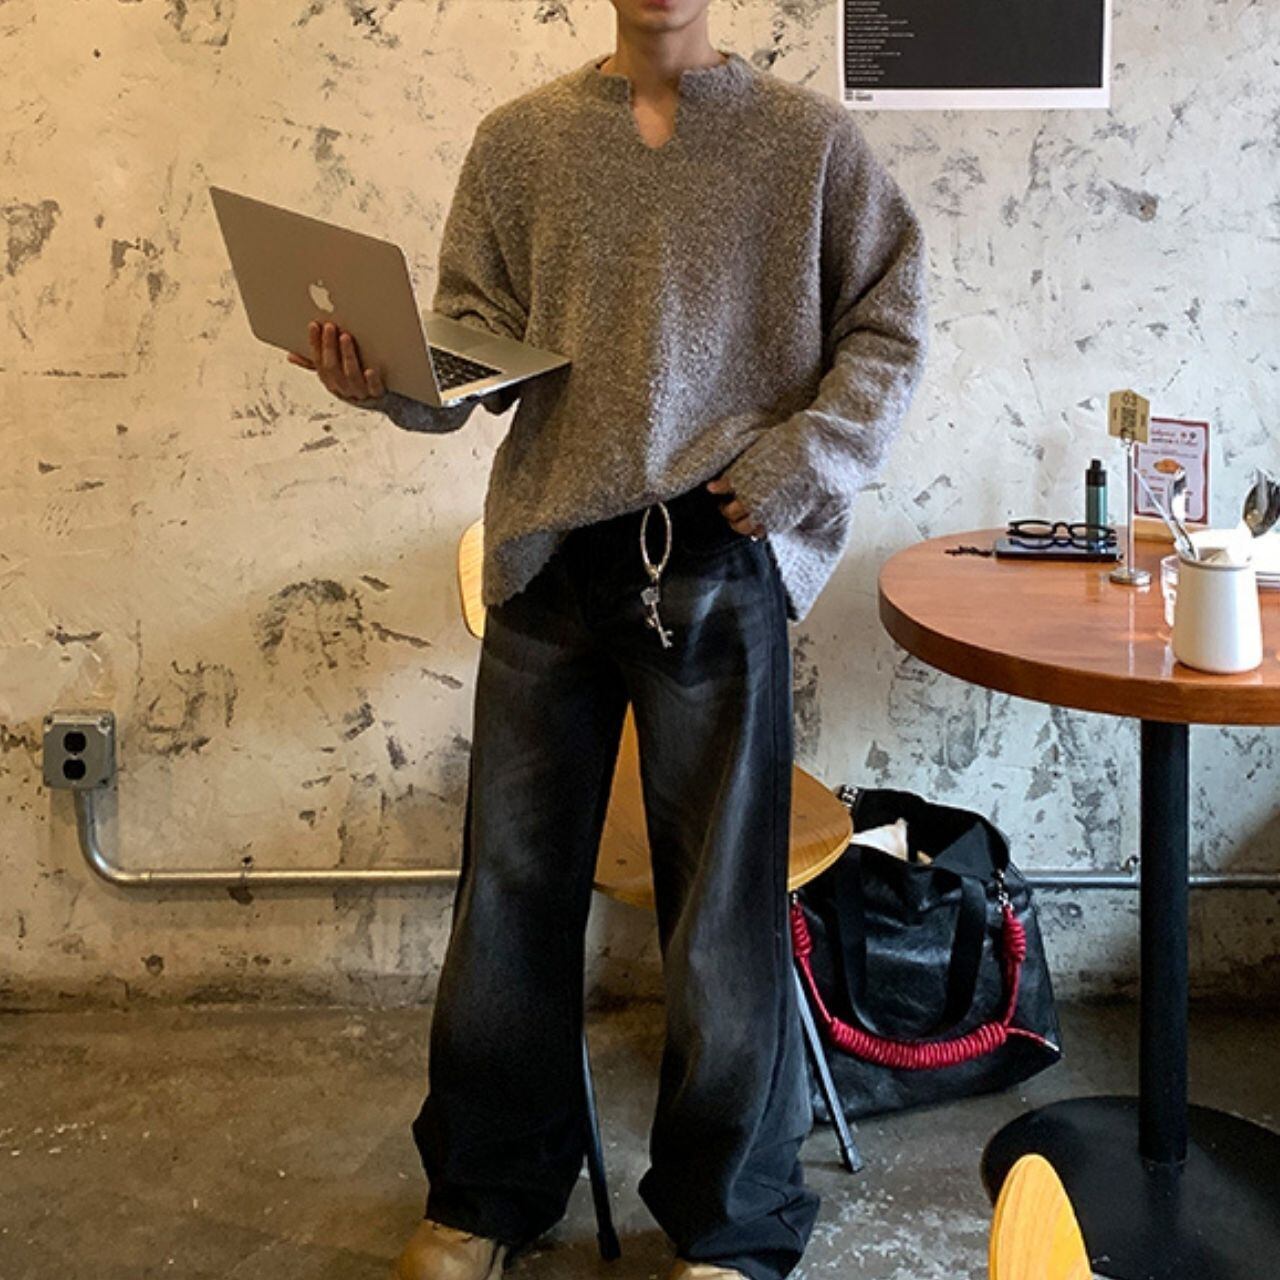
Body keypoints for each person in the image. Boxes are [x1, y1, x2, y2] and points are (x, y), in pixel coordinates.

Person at [289, 3, 928, 1277]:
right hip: (550, 561)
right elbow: (473, 351)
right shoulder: (521, 141)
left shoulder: (807, 144)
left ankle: (730, 1221)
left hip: (717, 555)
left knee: (722, 910)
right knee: (510, 892)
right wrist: (387, 376)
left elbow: (888, 324)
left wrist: (798, 463)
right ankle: (484, 1195)